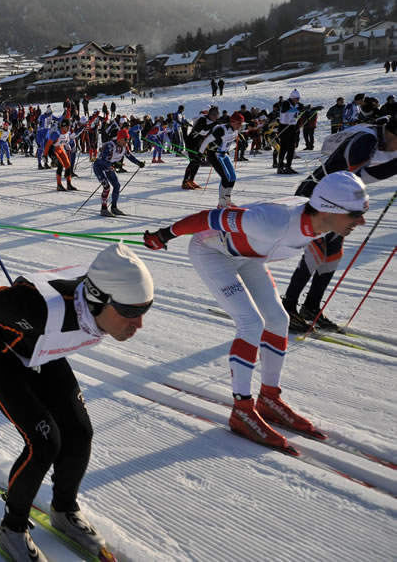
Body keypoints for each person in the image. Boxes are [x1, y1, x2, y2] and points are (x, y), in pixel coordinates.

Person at [0, 242, 153, 562]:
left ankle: (64, 509)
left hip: (40, 351)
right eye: (129, 311)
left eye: (144, 309)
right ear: (98, 299)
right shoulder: (35, 310)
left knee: (80, 432)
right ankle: (13, 529)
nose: (138, 323)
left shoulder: (101, 294)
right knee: (44, 443)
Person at [143, 171, 369, 450]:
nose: (362, 221)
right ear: (329, 209)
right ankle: (242, 410)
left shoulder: (319, 224)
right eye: (355, 214)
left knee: (278, 320)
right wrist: (163, 235)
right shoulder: (272, 221)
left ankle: (269, 398)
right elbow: (208, 217)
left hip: (249, 257)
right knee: (250, 323)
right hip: (211, 252)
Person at [282, 117, 397, 331]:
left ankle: (311, 306)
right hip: (315, 196)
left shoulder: (385, 140)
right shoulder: (366, 139)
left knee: (333, 255)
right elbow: (356, 175)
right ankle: (287, 307)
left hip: (339, 203)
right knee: (316, 252)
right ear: (393, 133)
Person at [93, 128, 144, 216]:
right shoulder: (110, 146)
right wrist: (114, 164)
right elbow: (104, 160)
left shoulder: (125, 147)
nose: (127, 142)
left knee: (117, 185)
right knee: (106, 187)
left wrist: (138, 163)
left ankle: (114, 207)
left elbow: (130, 156)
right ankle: (104, 209)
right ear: (119, 138)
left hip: (109, 167)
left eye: (128, 139)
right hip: (99, 167)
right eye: (125, 139)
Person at [198, 112, 244, 208]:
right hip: (214, 154)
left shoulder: (235, 130)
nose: (241, 126)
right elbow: (206, 141)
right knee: (225, 177)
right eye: (239, 123)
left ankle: (228, 201)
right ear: (233, 122)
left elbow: (231, 143)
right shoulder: (221, 130)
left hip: (223, 154)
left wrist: (231, 147)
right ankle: (221, 203)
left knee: (232, 177)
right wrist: (200, 154)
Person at [43, 118, 78, 191]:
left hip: (60, 148)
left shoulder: (67, 133)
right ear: (63, 126)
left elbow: (65, 140)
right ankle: (59, 185)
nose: (69, 128)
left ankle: (69, 184)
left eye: (69, 126)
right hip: (53, 150)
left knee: (68, 165)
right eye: (68, 126)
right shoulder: (56, 133)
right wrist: (45, 155)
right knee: (60, 165)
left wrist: (67, 145)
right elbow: (48, 144)